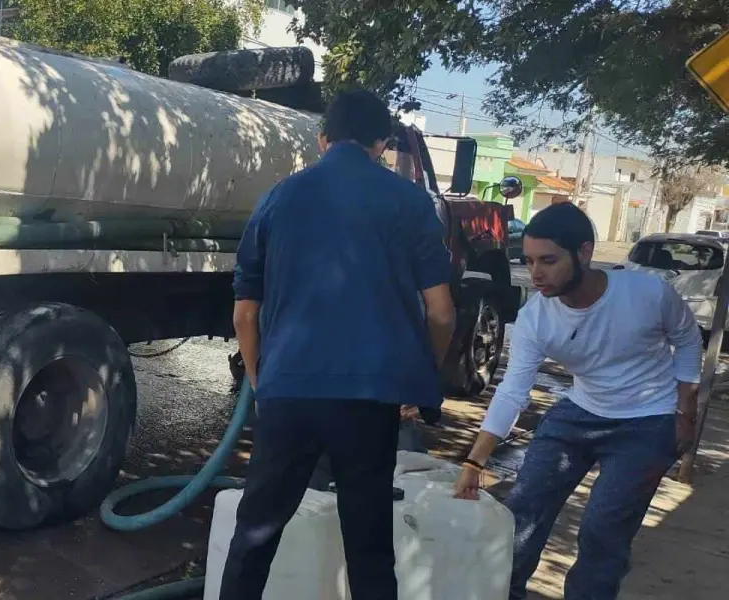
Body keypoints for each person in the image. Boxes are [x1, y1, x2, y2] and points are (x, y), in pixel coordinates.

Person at [220, 89, 457, 600]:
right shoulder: (410, 201)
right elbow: (441, 312)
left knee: (255, 533)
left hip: (288, 392)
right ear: (382, 143)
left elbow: (245, 311)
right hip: (369, 400)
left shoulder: (278, 197)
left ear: (322, 138)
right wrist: (419, 375)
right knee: (369, 546)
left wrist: (263, 379)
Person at [452, 202, 702, 600]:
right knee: (523, 511)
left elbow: (688, 342)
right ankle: (503, 592)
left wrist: (684, 409)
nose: (536, 274)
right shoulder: (536, 317)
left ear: (584, 252)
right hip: (580, 410)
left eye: (548, 261)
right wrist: (474, 461)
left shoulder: (647, 294)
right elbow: (513, 389)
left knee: (603, 530)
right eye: (530, 261)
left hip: (647, 420)